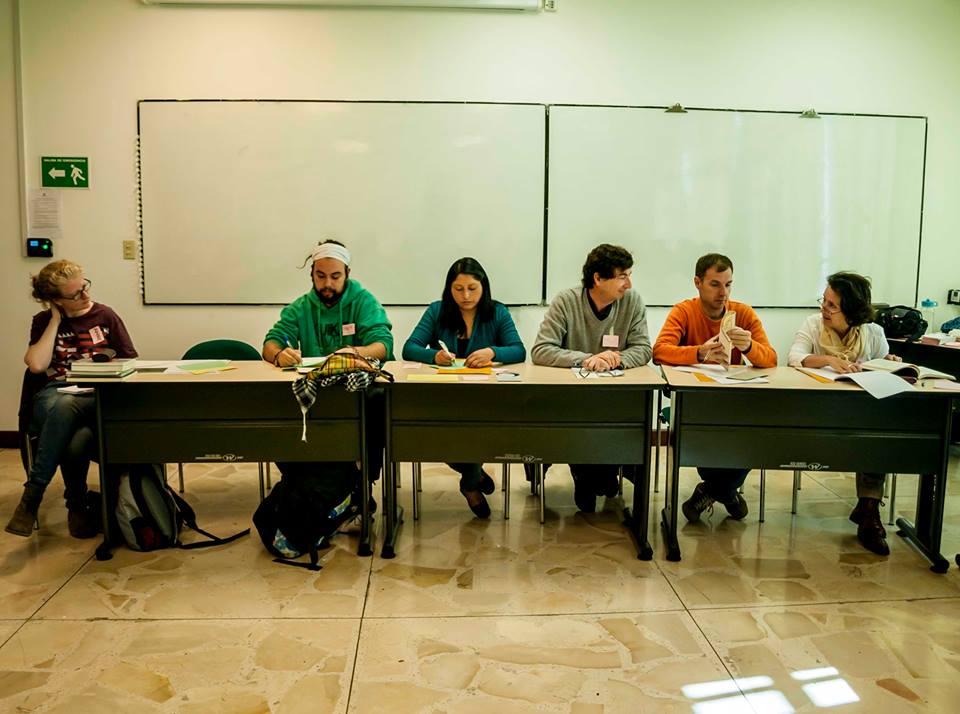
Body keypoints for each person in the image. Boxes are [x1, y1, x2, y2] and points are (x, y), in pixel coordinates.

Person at [6, 260, 137, 539]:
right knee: (76, 436)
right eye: (75, 294)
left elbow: (130, 360)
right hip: (54, 393)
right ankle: (77, 507)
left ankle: (34, 495)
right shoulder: (43, 321)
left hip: (97, 393)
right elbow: (37, 366)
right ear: (56, 300)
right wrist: (55, 321)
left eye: (85, 287)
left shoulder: (105, 315)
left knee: (67, 405)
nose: (85, 295)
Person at [653, 253, 777, 523]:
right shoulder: (684, 311)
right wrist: (698, 353)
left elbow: (770, 359)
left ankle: (713, 490)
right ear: (697, 283)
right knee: (703, 431)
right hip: (695, 401)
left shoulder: (743, 313)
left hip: (733, 400)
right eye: (715, 285)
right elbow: (659, 351)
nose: (724, 293)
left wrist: (749, 347)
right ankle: (727, 493)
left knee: (755, 431)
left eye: (728, 284)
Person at [262, 239, 394, 488]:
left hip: (355, 392)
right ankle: (303, 481)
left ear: (347, 273)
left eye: (335, 276)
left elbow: (383, 345)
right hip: (317, 389)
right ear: (312, 274)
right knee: (279, 407)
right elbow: (271, 342)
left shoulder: (363, 301)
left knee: (376, 403)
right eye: (321, 276)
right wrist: (279, 354)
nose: (328, 284)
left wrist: (352, 352)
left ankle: (362, 482)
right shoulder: (301, 307)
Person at [531, 244, 652, 512]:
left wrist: (614, 359)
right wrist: (588, 359)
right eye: (622, 276)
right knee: (583, 423)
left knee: (624, 424)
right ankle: (591, 476)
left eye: (629, 275)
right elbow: (541, 350)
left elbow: (644, 349)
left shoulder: (632, 302)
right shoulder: (566, 301)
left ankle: (596, 476)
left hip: (616, 397)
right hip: (573, 397)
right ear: (598, 278)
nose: (629, 284)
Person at [402, 257, 526, 518]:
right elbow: (409, 348)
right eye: (458, 289)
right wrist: (433, 356)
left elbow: (519, 350)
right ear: (449, 288)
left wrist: (492, 352)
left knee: (475, 429)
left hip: (484, 396)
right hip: (443, 395)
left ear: (484, 287)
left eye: (472, 288)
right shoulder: (437, 310)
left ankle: (469, 484)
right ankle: (474, 475)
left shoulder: (497, 312)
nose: (466, 296)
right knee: (440, 434)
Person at [788, 271, 900, 555]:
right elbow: (793, 357)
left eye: (832, 306)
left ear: (851, 311)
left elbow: (881, 369)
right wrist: (827, 359)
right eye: (823, 301)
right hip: (816, 412)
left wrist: (890, 362)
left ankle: (869, 508)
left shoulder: (873, 333)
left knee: (878, 431)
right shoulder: (813, 325)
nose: (824, 309)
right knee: (871, 429)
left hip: (861, 415)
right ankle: (868, 510)